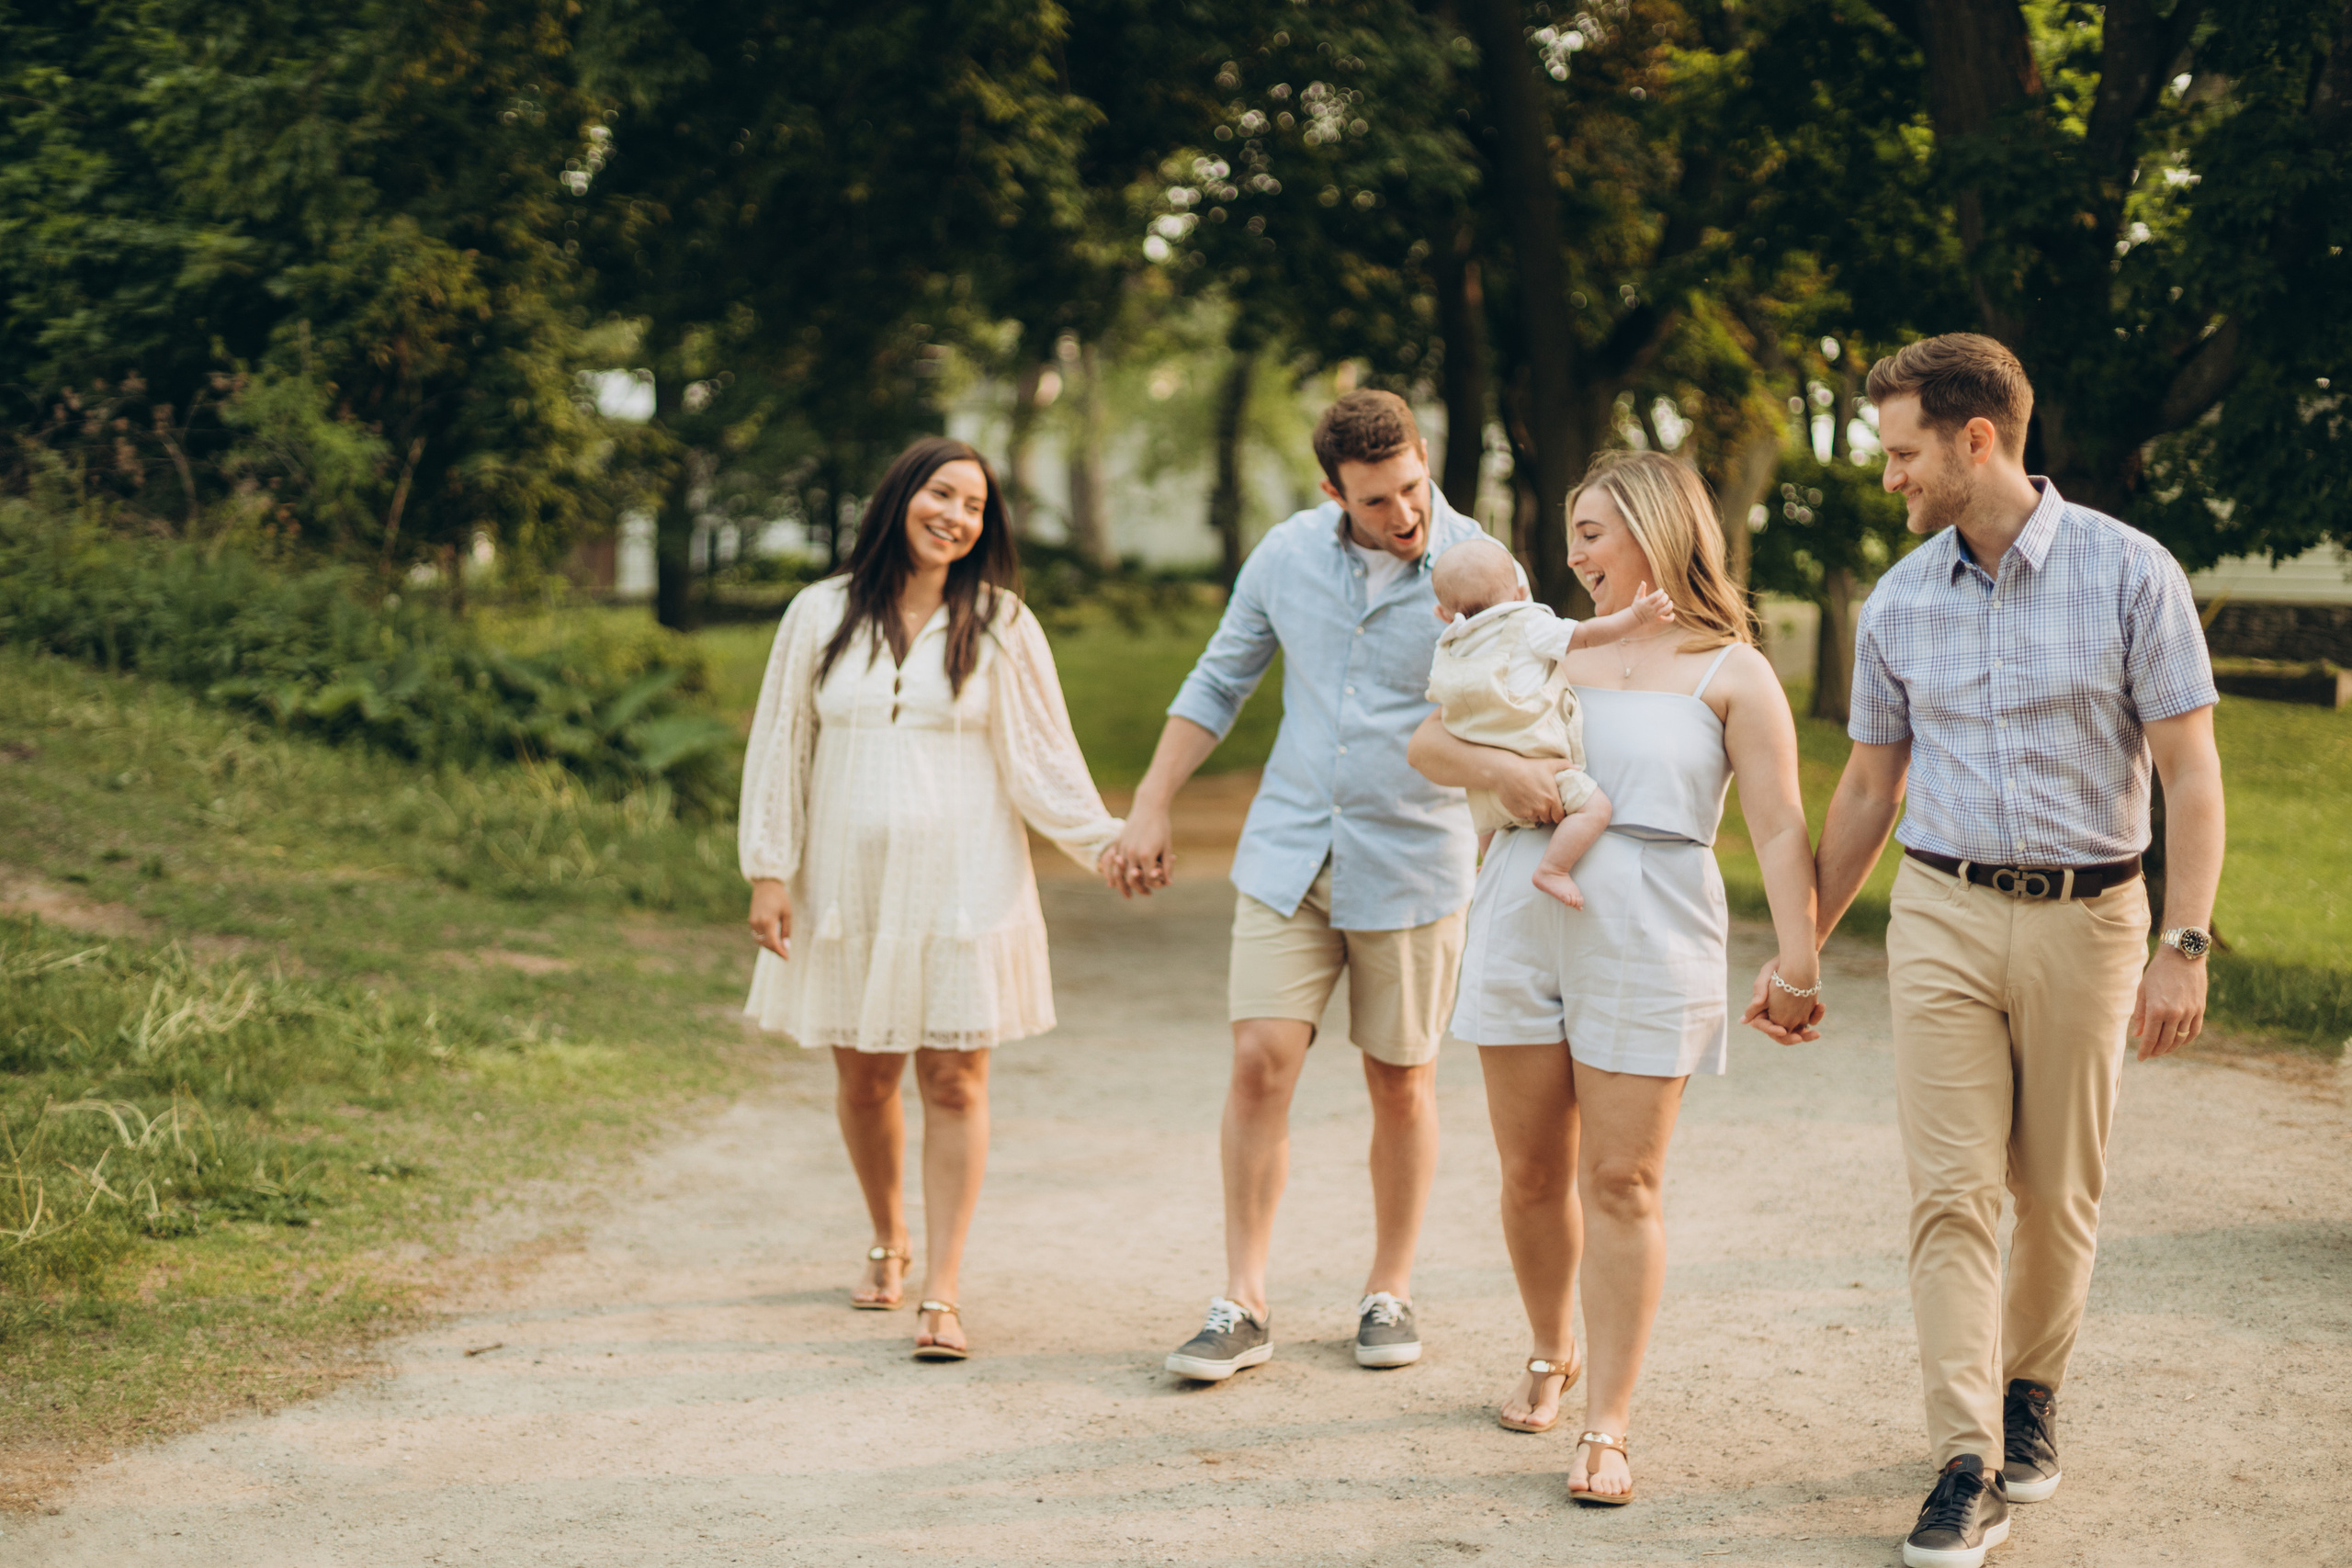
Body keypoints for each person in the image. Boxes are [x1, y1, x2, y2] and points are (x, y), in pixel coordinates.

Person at [1803, 334, 2223, 1568]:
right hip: (1941, 911)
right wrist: (1804, 947)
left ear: (1975, 439)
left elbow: (2191, 776)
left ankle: (2031, 1387)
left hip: (2094, 917)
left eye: (1903, 450)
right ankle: (1964, 1455)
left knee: (2056, 1186)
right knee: (1948, 1190)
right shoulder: (1899, 597)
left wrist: (2183, 940)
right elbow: (1870, 785)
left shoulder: (2131, 574)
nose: (1890, 476)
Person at [1408, 450, 1824, 1506]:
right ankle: (1553, 1350)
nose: (1572, 553)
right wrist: (1500, 771)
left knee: (1623, 1182)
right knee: (1532, 1173)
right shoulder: (1545, 646)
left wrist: (1799, 957)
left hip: (1653, 923)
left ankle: (1608, 1425)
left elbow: (1778, 827)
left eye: (1591, 531)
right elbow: (1427, 738)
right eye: (1571, 533)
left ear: (1653, 528)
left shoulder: (1732, 669)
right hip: (1518, 907)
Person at [1106, 389, 1484, 1381]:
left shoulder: (1478, 565)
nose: (1403, 515)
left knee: (1400, 1082)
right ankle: (1244, 1302)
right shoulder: (1284, 555)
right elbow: (1218, 680)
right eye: (1375, 502)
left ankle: (1388, 1288)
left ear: (1424, 457)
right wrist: (1148, 804)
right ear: (1331, 492)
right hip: (1290, 852)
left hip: (1412, 864)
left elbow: (1517, 708)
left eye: (1411, 487)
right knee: (1258, 1066)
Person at [738, 436, 1125, 1362]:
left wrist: (1108, 846)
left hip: (966, 886)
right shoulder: (818, 613)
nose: (955, 516)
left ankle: (942, 1291)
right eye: (940, 494)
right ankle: (887, 1236)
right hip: (848, 887)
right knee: (866, 1076)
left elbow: (1043, 763)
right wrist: (768, 867)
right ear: (900, 495)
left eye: (974, 506)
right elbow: (780, 743)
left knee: (953, 1080)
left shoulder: (999, 623)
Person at [1425, 536, 1675, 908]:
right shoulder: (1528, 622)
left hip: (1483, 785)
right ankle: (1553, 869)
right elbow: (1587, 635)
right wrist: (1636, 617)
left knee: (1491, 825)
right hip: (1541, 766)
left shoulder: (1449, 648)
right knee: (1596, 809)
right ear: (1521, 590)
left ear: (1443, 615)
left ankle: (1490, 863)